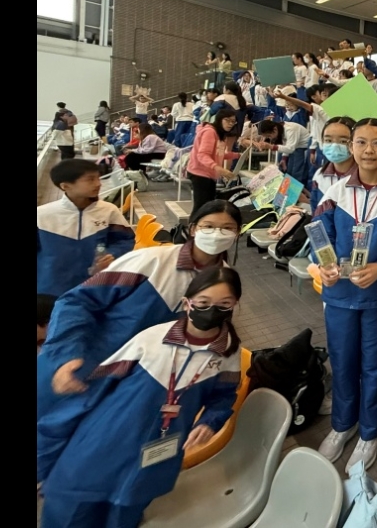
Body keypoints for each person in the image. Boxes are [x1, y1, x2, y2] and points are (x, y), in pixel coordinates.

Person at [37, 200, 243, 481]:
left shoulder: (225, 284)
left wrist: (208, 413)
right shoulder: (152, 262)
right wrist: (67, 353)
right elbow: (76, 301)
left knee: (98, 451)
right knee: (55, 427)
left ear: (237, 233)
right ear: (193, 228)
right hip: (90, 364)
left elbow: (214, 345)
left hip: (143, 386)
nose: (217, 234)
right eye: (209, 226)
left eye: (227, 228)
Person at [38, 266, 243, 528]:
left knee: (125, 515)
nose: (212, 311)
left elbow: (223, 396)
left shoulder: (228, 353)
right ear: (187, 303)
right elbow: (95, 388)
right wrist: (47, 451)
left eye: (224, 304)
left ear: (234, 305)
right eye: (203, 303)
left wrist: (209, 422)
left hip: (158, 452)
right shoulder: (151, 339)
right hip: (103, 444)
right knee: (71, 512)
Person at [314, 119, 377, 473]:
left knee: (376, 365)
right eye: (361, 143)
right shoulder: (335, 192)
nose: (368, 150)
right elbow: (320, 233)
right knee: (342, 361)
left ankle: (371, 431)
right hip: (339, 294)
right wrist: (324, 264)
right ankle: (343, 424)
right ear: (351, 147)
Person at [37, 159, 134, 298]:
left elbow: (125, 240)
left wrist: (112, 254)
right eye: (90, 179)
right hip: (50, 290)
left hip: (96, 288)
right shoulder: (41, 215)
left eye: (98, 178)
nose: (98, 184)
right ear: (65, 186)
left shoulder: (109, 211)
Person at [186, 109, 238, 216]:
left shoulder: (221, 134)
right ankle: (194, 225)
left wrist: (237, 155)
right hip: (199, 173)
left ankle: (201, 225)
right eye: (227, 120)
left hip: (209, 174)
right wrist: (219, 169)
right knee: (201, 207)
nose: (230, 124)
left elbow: (218, 154)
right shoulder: (210, 132)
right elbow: (202, 155)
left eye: (233, 121)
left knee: (208, 206)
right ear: (219, 119)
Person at [310, 116, 357, 208]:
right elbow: (315, 207)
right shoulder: (319, 175)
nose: (334, 146)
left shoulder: (365, 177)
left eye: (343, 141)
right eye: (328, 140)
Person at [250, 119, 313, 187]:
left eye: (269, 136)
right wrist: (284, 159)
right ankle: (287, 188)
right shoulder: (280, 129)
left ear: (274, 129)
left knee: (295, 171)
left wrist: (271, 146)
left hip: (303, 147)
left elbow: (290, 148)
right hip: (295, 147)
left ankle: (296, 190)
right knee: (286, 169)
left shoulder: (290, 129)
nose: (270, 138)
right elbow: (286, 145)